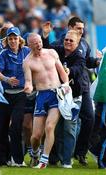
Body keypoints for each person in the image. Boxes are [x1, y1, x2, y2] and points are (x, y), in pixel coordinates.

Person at [42, 16, 100, 166]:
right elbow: (47, 51)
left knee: (89, 118)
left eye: (82, 28)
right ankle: (55, 156)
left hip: (81, 87)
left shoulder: (84, 44)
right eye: (78, 28)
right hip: (62, 88)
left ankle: (80, 153)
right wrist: (46, 37)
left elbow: (85, 61)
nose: (81, 31)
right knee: (59, 124)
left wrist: (96, 61)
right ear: (70, 28)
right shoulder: (60, 44)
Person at [23, 33, 69, 169]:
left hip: (56, 94)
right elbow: (29, 82)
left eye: (39, 42)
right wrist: (28, 87)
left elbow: (62, 73)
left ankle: (44, 161)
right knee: (36, 136)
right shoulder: (27, 62)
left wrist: (65, 84)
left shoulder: (52, 53)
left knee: (50, 127)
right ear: (29, 45)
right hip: (41, 96)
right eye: (35, 43)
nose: (39, 45)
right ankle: (35, 153)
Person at [0, 26, 30, 167]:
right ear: (7, 40)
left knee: (16, 126)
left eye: (15, 38)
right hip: (5, 95)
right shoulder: (3, 54)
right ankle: (2, 159)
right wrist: (7, 79)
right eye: (10, 38)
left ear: (19, 39)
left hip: (21, 94)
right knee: (1, 127)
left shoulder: (26, 51)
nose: (13, 41)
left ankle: (17, 159)